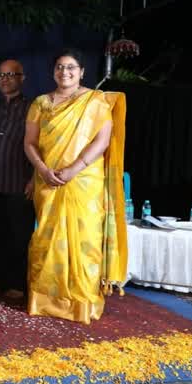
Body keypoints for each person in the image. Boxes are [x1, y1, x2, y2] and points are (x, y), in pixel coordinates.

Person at [24, 48, 126, 324]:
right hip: (49, 180)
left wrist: (74, 168)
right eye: (59, 67)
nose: (64, 72)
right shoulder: (41, 103)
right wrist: (43, 170)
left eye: (70, 67)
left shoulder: (95, 102)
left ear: (81, 72)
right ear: (52, 71)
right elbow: (30, 143)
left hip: (84, 181)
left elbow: (102, 141)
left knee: (86, 241)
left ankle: (81, 302)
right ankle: (46, 299)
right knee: (46, 237)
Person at [0, 59, 36, 299]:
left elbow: (41, 145)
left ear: (22, 78)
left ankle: (18, 284)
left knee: (19, 235)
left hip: (19, 182)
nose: (5, 79)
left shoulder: (33, 108)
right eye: (1, 75)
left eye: (11, 74)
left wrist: (35, 178)